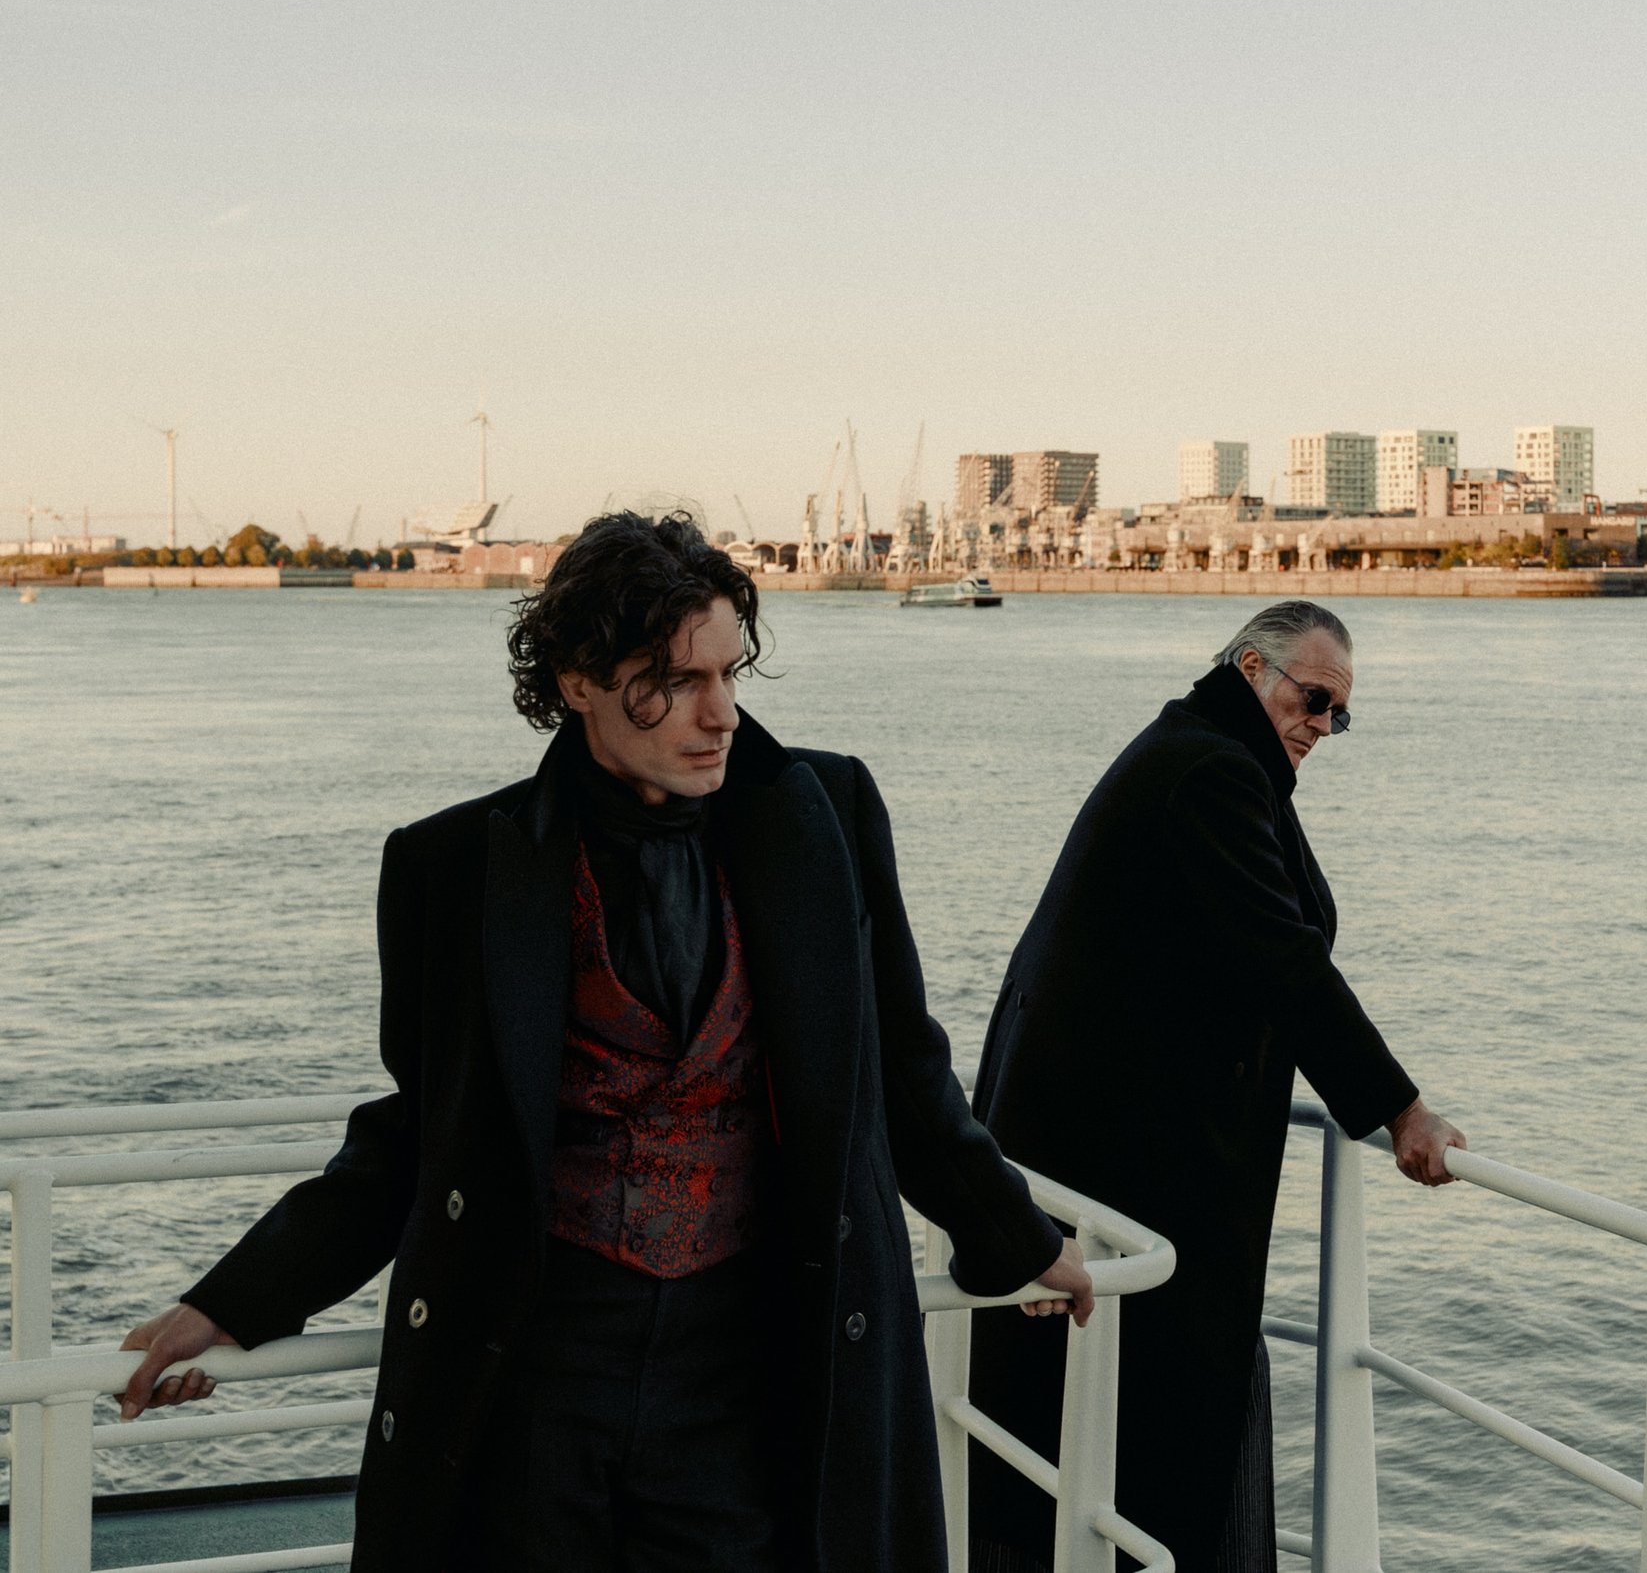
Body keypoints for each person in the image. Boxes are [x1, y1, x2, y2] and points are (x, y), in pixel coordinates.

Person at [117, 510, 1092, 1572]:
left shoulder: (828, 815)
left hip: (750, 1368)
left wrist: (1019, 1237)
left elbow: (903, 1070)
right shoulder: (453, 866)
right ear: (576, 679)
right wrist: (237, 1298)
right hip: (538, 1378)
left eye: (730, 673)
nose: (716, 714)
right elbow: (419, 1130)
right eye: (671, 681)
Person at [967, 600, 1465, 1573]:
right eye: (1312, 699)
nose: (1322, 724)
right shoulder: (1208, 771)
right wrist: (1400, 1110)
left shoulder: (1208, 753)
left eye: (1338, 713)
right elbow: (1285, 960)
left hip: (1130, 1154)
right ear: (1250, 668)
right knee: (1145, 1432)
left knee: (1116, 1429)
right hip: (1135, 1165)